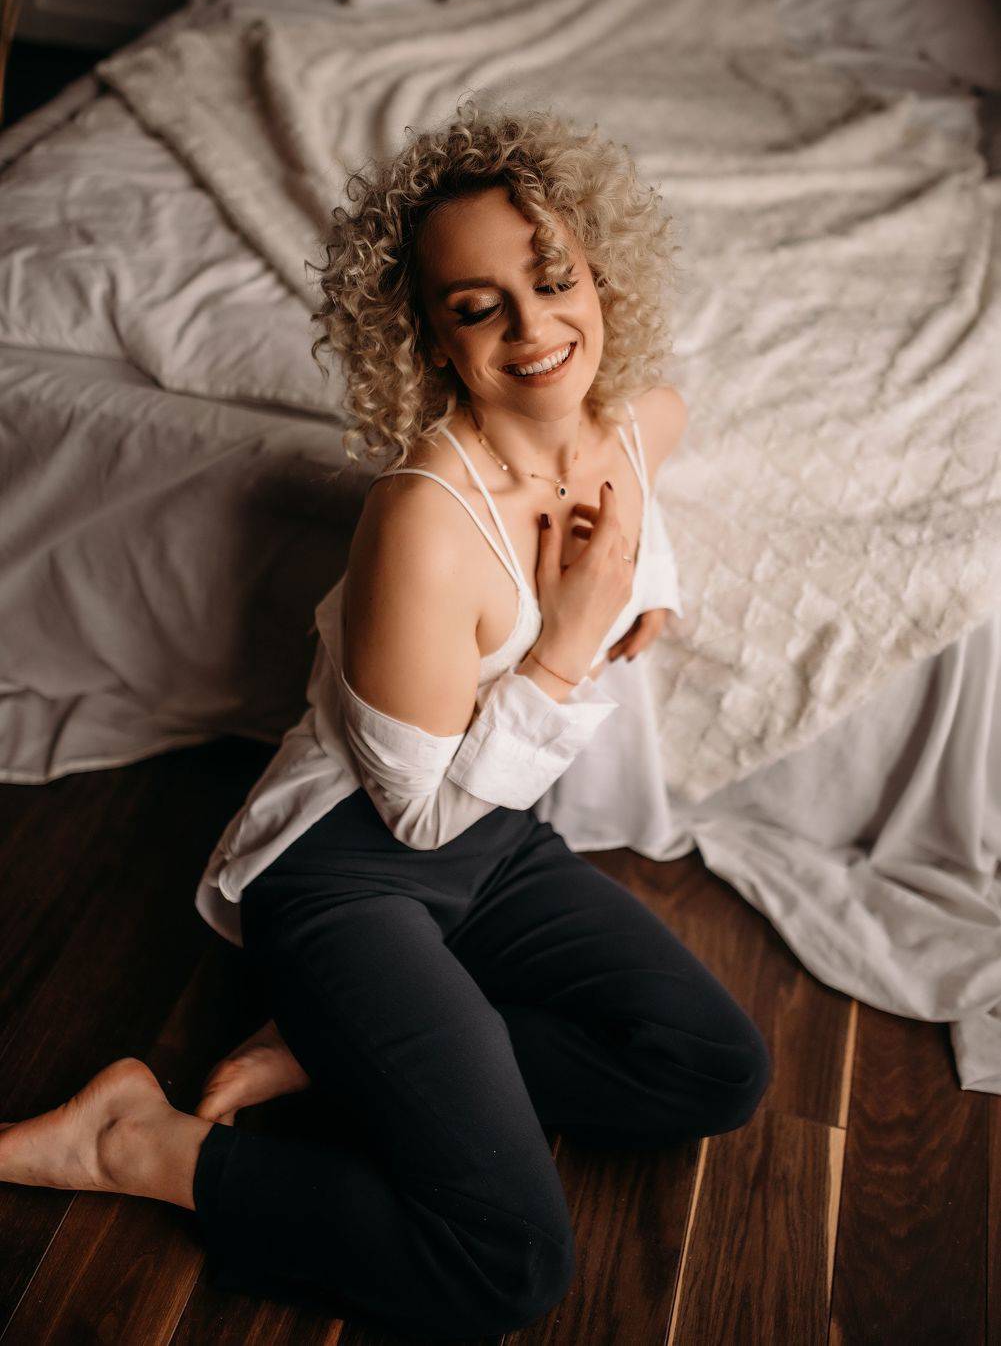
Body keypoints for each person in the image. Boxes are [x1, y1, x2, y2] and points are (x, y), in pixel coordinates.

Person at [0, 101, 771, 1340]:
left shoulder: (630, 422)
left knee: (715, 1070)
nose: (534, 330)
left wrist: (651, 591)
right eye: (477, 307)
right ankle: (139, 1143)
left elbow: (644, 474)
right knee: (507, 1268)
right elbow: (414, 817)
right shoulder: (422, 517)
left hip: (496, 842)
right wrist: (567, 642)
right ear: (430, 336)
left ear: (599, 280)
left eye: (552, 281)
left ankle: (333, 1053)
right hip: (347, 871)